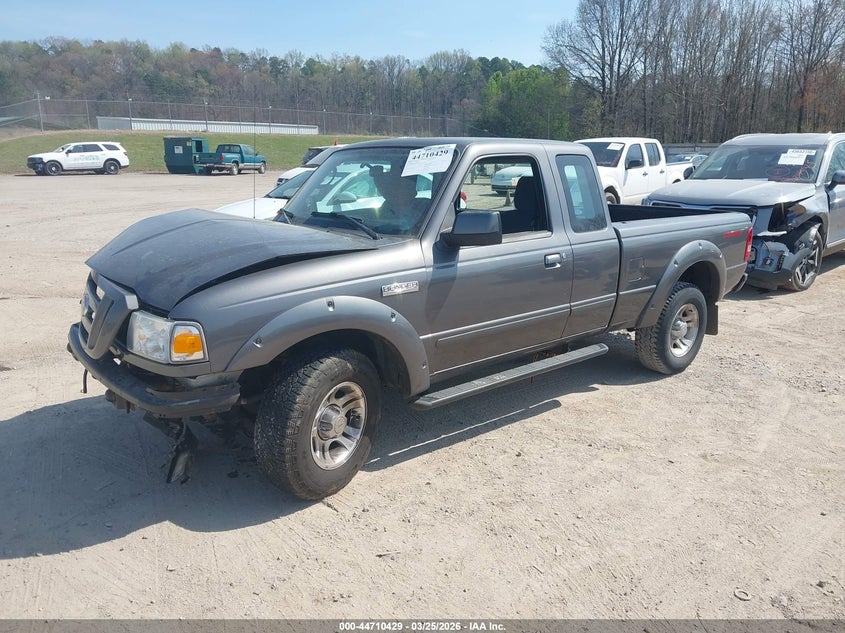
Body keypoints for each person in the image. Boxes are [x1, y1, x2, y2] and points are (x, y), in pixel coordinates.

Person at [372, 166, 430, 232]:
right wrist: (377, 177)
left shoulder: (425, 207)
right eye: (397, 187)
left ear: (414, 191)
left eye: (409, 186)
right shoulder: (387, 206)